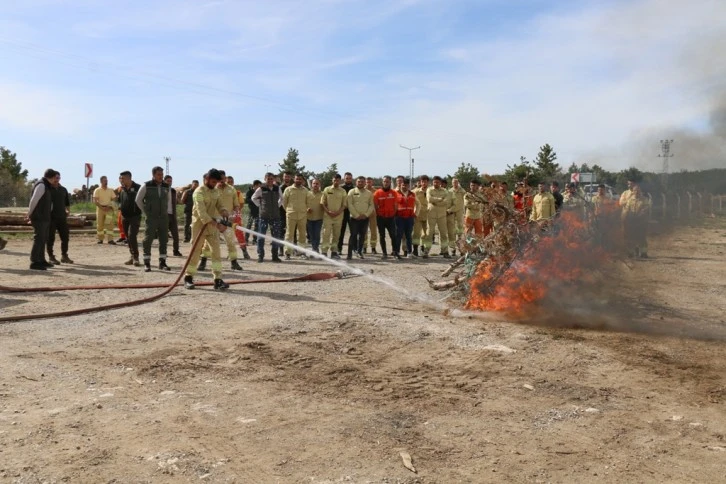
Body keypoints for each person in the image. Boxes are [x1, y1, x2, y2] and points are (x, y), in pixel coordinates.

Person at [184, 169, 231, 291]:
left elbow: (219, 204)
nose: (215, 184)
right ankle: (188, 278)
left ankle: (218, 280)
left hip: (212, 226)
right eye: (213, 181)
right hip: (199, 226)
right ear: (206, 179)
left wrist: (224, 210)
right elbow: (202, 213)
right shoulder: (198, 192)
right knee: (195, 252)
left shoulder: (215, 191)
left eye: (216, 182)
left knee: (216, 252)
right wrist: (217, 224)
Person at [198, 171, 243, 271]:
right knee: (208, 244)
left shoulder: (231, 189)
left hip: (227, 220)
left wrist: (234, 215)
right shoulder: (213, 190)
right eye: (220, 179)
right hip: (213, 221)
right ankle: (203, 262)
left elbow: (236, 205)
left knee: (230, 242)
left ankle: (234, 262)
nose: (222, 181)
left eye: (223, 178)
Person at [135, 166, 172, 272]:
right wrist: (146, 212)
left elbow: (168, 200)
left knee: (164, 239)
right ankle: (147, 262)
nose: (161, 177)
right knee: (148, 239)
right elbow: (138, 200)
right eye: (159, 175)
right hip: (152, 218)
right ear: (153, 175)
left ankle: (162, 262)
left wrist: (167, 213)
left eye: (162, 174)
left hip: (163, 217)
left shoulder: (166, 186)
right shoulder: (147, 185)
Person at [27, 169, 56, 270]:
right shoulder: (41, 185)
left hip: (44, 217)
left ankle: (41, 260)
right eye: (55, 178)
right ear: (52, 177)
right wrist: (29, 213)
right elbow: (34, 200)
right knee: (39, 239)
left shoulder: (46, 185)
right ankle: (34, 262)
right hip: (39, 217)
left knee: (43, 239)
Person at [252, 172, 283, 263]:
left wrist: (278, 206)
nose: (270, 180)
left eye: (271, 179)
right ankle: (260, 255)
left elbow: (282, 198)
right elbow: (253, 198)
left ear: (273, 179)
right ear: (265, 179)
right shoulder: (261, 188)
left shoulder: (277, 188)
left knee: (275, 236)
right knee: (261, 236)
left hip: (275, 216)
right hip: (264, 216)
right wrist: (260, 206)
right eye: (268, 179)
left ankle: (275, 256)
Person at [46, 171, 73, 265]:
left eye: (58, 178)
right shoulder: (47, 189)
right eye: (55, 178)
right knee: (50, 238)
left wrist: (68, 211)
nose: (57, 179)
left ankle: (64, 256)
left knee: (65, 237)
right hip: (51, 217)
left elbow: (67, 203)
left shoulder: (63, 189)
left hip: (62, 217)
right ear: (52, 178)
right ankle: (51, 256)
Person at [282, 173, 310, 260]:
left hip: (302, 215)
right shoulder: (288, 189)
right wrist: (289, 211)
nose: (298, 180)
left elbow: (307, 202)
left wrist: (305, 210)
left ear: (302, 180)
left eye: (300, 179)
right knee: (289, 234)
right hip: (291, 215)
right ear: (294, 179)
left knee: (302, 235)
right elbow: (284, 203)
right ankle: (287, 253)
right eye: (297, 179)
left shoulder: (305, 190)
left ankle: (302, 252)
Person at [118, 171, 143, 266]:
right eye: (121, 178)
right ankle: (132, 256)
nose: (121, 180)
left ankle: (136, 258)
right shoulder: (122, 189)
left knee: (132, 235)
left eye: (123, 178)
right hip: (124, 216)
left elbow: (143, 200)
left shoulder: (138, 187)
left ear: (129, 178)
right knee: (128, 238)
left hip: (135, 216)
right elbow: (120, 201)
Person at [422, 176, 450, 258]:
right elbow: (429, 199)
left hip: (442, 215)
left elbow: (446, 202)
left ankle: (445, 251)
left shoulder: (445, 191)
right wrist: (440, 199)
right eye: (434, 182)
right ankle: (426, 251)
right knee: (429, 233)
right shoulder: (429, 190)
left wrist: (436, 201)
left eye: (437, 182)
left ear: (440, 183)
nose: (436, 184)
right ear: (432, 182)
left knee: (443, 233)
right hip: (431, 214)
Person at [346, 176, 373, 260]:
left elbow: (371, 205)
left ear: (365, 183)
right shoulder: (351, 191)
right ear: (356, 182)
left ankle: (359, 252)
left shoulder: (369, 193)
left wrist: (366, 214)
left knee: (362, 236)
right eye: (359, 181)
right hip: (354, 218)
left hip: (365, 218)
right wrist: (356, 215)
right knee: (353, 235)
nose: (360, 183)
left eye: (362, 182)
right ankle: (349, 253)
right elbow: (349, 204)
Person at [321, 173, 347, 259]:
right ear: (332, 180)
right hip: (328, 216)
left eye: (338, 180)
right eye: (334, 180)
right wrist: (328, 212)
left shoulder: (343, 191)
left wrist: (337, 212)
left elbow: (344, 205)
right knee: (326, 234)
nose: (336, 182)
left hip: (338, 217)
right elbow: (322, 203)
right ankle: (324, 252)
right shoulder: (327, 189)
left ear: (340, 181)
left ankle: (334, 252)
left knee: (336, 234)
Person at [373, 175, 400, 259]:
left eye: (387, 181)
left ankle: (395, 252)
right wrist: (379, 214)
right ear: (382, 182)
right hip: (381, 218)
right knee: (382, 236)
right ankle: (384, 253)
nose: (385, 183)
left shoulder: (394, 193)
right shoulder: (377, 193)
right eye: (384, 181)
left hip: (391, 218)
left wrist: (393, 214)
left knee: (393, 235)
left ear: (390, 182)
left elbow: (396, 205)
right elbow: (375, 206)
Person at [622, 184, 650, 258]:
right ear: (633, 192)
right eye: (635, 190)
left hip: (641, 221)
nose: (636, 192)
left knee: (642, 237)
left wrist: (640, 215)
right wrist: (623, 217)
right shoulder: (630, 200)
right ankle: (631, 252)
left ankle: (643, 252)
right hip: (632, 221)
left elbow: (646, 208)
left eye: (638, 190)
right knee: (631, 237)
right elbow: (627, 209)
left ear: (640, 191)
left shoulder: (644, 199)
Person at [395, 177, 418, 258]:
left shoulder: (412, 194)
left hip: (409, 218)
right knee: (399, 235)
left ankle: (409, 253)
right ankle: (396, 252)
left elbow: (418, 205)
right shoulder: (396, 193)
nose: (404, 187)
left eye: (406, 185)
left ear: (409, 186)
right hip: (399, 218)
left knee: (409, 236)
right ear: (400, 185)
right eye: (403, 185)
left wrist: (416, 213)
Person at [93, 176, 117, 245]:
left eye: (106, 180)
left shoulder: (110, 190)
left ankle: (110, 240)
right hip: (100, 209)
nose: (106, 182)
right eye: (104, 181)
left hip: (109, 209)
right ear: (101, 182)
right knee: (100, 224)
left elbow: (114, 199)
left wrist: (109, 206)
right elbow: (95, 201)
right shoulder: (97, 190)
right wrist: (101, 207)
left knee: (110, 224)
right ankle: (100, 239)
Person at [164, 175, 183, 257]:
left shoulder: (173, 191)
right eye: (168, 181)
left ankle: (176, 251)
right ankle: (163, 252)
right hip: (164, 216)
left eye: (170, 181)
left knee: (176, 235)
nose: (169, 182)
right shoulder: (161, 190)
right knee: (164, 236)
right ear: (164, 181)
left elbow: (179, 202)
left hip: (173, 215)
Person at [412, 175, 430, 257]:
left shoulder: (430, 191)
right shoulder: (415, 191)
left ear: (428, 182)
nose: (424, 183)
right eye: (422, 181)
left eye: (425, 181)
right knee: (416, 233)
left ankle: (423, 249)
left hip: (428, 215)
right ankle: (415, 249)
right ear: (420, 182)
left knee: (426, 234)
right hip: (418, 215)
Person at [337, 172, 355, 253]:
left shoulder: (355, 189)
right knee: (341, 231)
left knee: (353, 232)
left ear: (352, 179)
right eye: (346, 178)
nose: (348, 180)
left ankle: (354, 249)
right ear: (344, 179)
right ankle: (339, 248)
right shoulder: (340, 188)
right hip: (342, 212)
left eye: (350, 178)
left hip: (352, 212)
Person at [447, 178, 465, 255]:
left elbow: (466, 198)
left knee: (460, 228)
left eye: (456, 182)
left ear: (458, 182)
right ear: (452, 183)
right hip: (452, 211)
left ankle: (461, 248)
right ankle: (453, 249)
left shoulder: (462, 191)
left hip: (460, 211)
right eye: (454, 182)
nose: (455, 183)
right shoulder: (449, 191)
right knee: (451, 229)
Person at [306, 179, 324, 254]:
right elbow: (303, 203)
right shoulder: (307, 194)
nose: (315, 185)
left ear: (319, 185)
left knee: (317, 234)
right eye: (314, 183)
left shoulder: (323, 194)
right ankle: (314, 248)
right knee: (311, 235)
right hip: (308, 218)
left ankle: (315, 249)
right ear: (311, 184)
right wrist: (307, 209)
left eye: (317, 183)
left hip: (319, 218)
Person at [245, 179, 261, 244]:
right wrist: (254, 200)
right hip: (251, 211)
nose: (260, 188)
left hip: (258, 211)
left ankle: (255, 239)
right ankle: (246, 239)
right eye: (259, 186)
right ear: (255, 185)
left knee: (257, 226)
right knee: (249, 225)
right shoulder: (249, 192)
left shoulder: (260, 192)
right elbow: (247, 200)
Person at [364, 177, 378, 254]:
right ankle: (364, 247)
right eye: (367, 182)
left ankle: (373, 247)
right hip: (364, 214)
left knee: (373, 231)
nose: (368, 183)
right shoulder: (362, 191)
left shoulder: (376, 191)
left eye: (370, 182)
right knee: (364, 231)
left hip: (373, 214)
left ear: (372, 182)